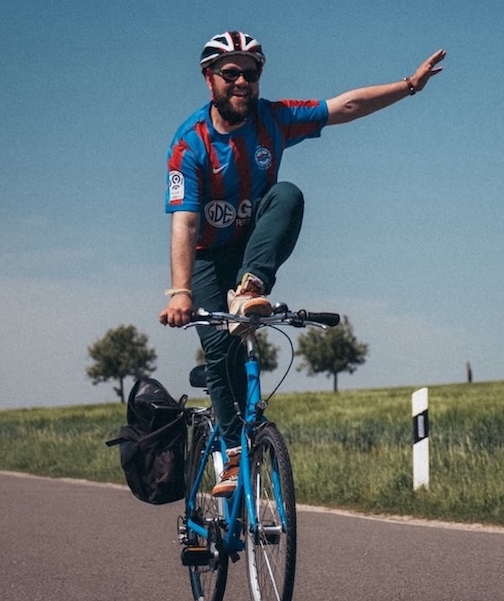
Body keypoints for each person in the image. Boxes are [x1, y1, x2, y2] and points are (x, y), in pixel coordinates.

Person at [158, 31, 445, 495]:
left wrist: (409, 86)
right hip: (208, 257)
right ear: (208, 78)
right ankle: (232, 455)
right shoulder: (190, 145)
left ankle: (251, 287)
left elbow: (345, 107)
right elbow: (185, 226)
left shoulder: (274, 118)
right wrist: (181, 293)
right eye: (229, 73)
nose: (240, 82)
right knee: (220, 349)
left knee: (288, 193)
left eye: (249, 73)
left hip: (252, 248)